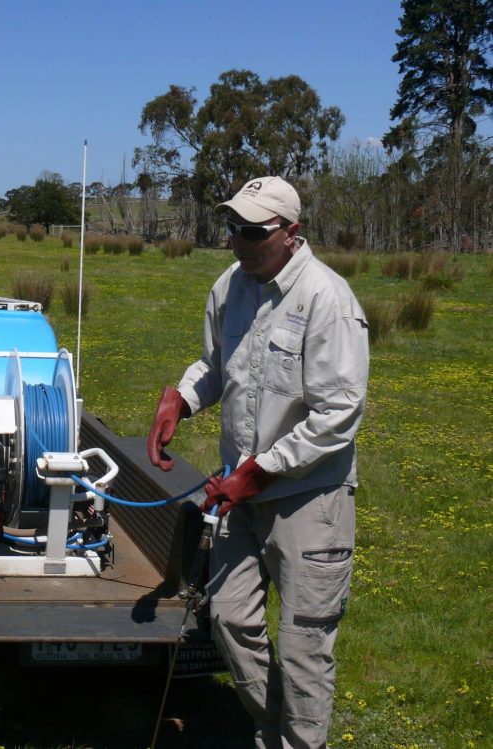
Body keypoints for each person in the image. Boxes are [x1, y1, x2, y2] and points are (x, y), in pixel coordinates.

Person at [148, 176, 369, 749]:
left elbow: (339, 413)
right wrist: (184, 399)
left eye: (252, 231)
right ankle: (275, 729)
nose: (237, 241)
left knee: (303, 646)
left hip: (307, 499)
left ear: (291, 233)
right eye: (232, 228)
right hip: (239, 494)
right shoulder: (231, 286)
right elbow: (216, 364)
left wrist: (263, 469)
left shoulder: (328, 300)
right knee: (229, 620)